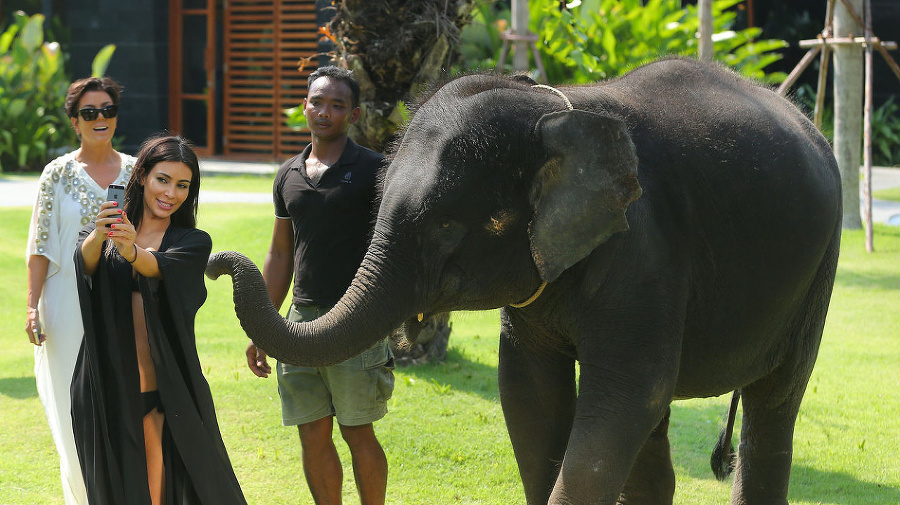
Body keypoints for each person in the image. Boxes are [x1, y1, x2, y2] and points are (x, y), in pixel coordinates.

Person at [245, 66, 394, 505]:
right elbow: (280, 255)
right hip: (300, 321)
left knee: (356, 430)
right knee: (311, 431)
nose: (324, 111)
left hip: (356, 319)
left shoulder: (375, 171)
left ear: (354, 114)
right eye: (317, 101)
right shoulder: (288, 174)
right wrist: (264, 327)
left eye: (337, 105)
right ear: (304, 105)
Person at [72, 135, 247, 505]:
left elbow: (157, 267)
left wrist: (130, 250)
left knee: (156, 479)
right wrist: (101, 236)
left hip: (159, 385)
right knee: (108, 481)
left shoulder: (192, 241)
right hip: (103, 378)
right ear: (142, 177)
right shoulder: (109, 228)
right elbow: (85, 264)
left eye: (183, 185)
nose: (171, 193)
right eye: (162, 180)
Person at [25, 76, 135, 505]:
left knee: (122, 406)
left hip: (123, 304)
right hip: (66, 308)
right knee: (72, 413)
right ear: (74, 121)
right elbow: (39, 245)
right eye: (89, 112)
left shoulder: (136, 171)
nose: (99, 118)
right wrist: (32, 307)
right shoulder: (57, 174)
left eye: (107, 109)